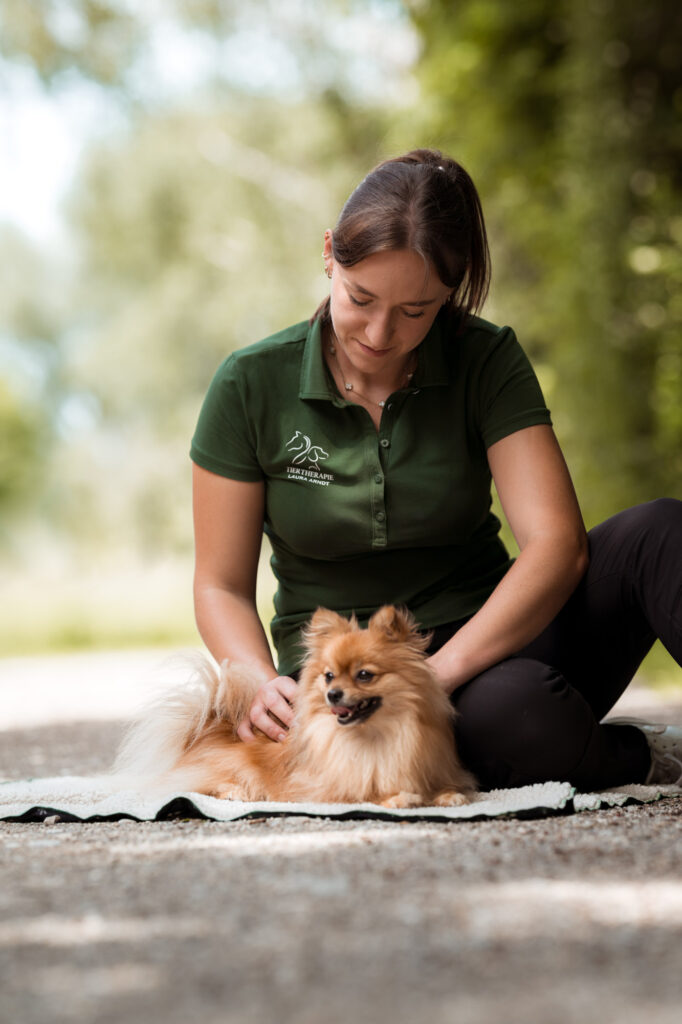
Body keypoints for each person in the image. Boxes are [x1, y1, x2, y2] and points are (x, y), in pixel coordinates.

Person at [190, 148, 682, 793]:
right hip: (352, 688)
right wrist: (256, 680)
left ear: (449, 295)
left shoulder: (486, 358)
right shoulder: (250, 383)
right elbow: (221, 585)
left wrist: (435, 676)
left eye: (416, 312)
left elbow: (556, 544)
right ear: (330, 253)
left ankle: (556, 736)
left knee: (662, 531)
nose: (378, 332)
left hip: (492, 641)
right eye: (360, 297)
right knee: (517, 721)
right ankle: (630, 756)